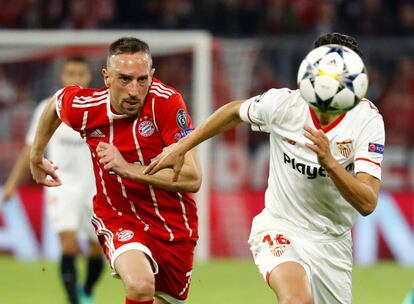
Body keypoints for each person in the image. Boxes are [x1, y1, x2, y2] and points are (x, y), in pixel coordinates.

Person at [145, 32, 385, 304]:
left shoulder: (367, 122)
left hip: (332, 242)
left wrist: (330, 163)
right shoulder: (283, 105)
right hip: (280, 226)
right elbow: (234, 111)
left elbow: (367, 202)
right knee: (296, 300)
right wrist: (182, 146)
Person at [29, 37, 201, 304]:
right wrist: (36, 155)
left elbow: (192, 177)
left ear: (152, 76)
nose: (134, 90)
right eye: (124, 79)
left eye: (142, 80)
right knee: (141, 285)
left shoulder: (166, 104)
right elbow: (56, 104)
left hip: (172, 224)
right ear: (106, 77)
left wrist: (127, 169)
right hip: (118, 215)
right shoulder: (88, 108)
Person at [2, 56, 103, 304]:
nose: (76, 79)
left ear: (88, 77)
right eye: (71, 73)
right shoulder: (48, 108)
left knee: (96, 252)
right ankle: (74, 301)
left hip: (94, 189)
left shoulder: (99, 108)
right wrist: (13, 184)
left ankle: (87, 289)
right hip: (61, 186)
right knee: (68, 246)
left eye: (81, 73)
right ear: (63, 77)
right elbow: (31, 148)